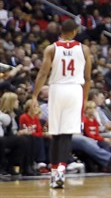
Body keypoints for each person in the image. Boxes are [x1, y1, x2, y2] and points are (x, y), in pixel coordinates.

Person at [32, 19, 92, 189]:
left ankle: (53, 174)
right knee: (66, 135)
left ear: (61, 31)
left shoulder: (51, 48)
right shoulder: (84, 49)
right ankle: (60, 173)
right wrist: (85, 98)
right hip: (75, 90)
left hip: (57, 89)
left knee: (56, 134)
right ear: (75, 31)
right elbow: (87, 78)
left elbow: (43, 73)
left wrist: (35, 96)